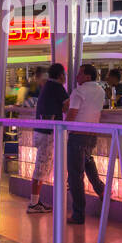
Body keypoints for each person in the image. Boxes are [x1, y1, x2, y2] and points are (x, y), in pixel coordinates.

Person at [65, 63, 106, 226]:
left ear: (88, 76)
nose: (77, 77)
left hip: (77, 136)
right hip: (92, 135)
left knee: (75, 176)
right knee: (87, 162)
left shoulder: (79, 91)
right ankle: (101, 190)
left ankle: (78, 214)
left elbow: (72, 114)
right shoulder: (100, 90)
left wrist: (63, 128)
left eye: (80, 74)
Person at [27, 63, 68, 214]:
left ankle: (35, 202)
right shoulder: (56, 87)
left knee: (42, 166)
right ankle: (33, 203)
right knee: (41, 168)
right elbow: (67, 107)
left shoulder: (48, 87)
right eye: (64, 74)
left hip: (41, 131)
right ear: (60, 75)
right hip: (47, 133)